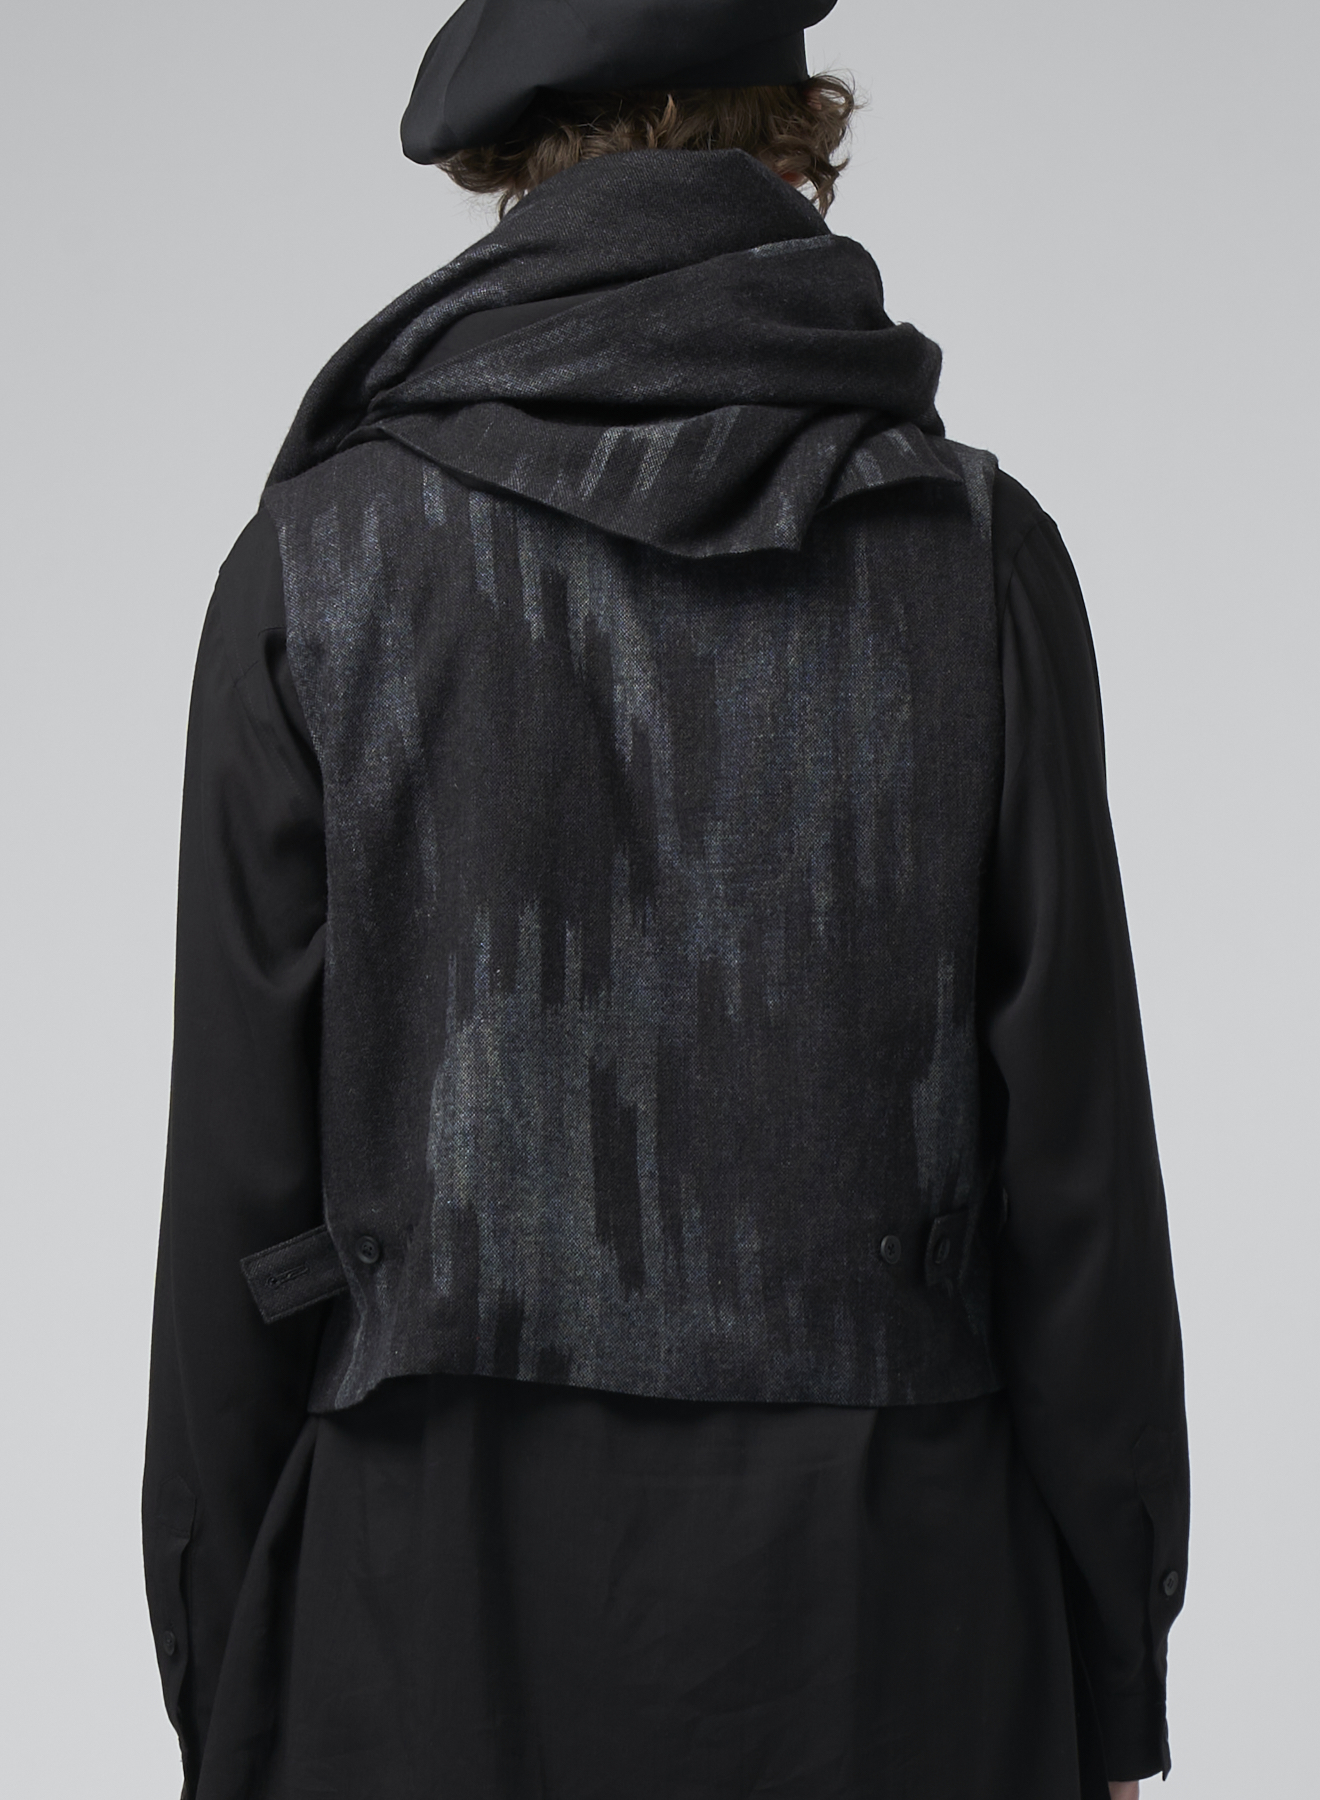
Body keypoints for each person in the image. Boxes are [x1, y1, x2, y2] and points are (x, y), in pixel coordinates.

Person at [142, 4, 1189, 1797]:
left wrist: (224, 1674)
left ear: (511, 163)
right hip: (900, 1623)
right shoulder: (975, 557)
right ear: (793, 141)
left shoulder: (318, 568)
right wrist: (1109, 1675)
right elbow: (1079, 1192)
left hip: (420, 1623)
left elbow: (236, 1189)